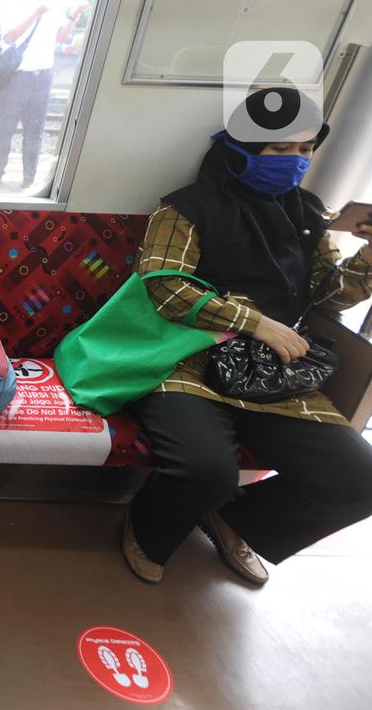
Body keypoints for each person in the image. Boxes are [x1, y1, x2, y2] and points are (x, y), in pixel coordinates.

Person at [121, 88, 372, 586]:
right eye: (280, 150)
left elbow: (324, 295)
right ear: (240, 149)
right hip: (185, 360)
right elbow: (165, 288)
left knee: (360, 480)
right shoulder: (185, 209)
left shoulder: (305, 214)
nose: (296, 162)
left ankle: (240, 522)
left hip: (274, 370)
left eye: (305, 150)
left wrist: (368, 261)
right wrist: (255, 322)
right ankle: (148, 530)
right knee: (205, 471)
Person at [0, 1, 87, 191]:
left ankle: (29, 177)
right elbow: (8, 37)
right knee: (5, 129)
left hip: (43, 77)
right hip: (17, 77)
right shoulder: (15, 6)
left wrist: (74, 16)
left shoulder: (55, 8)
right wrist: (35, 14)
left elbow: (61, 37)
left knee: (35, 131)